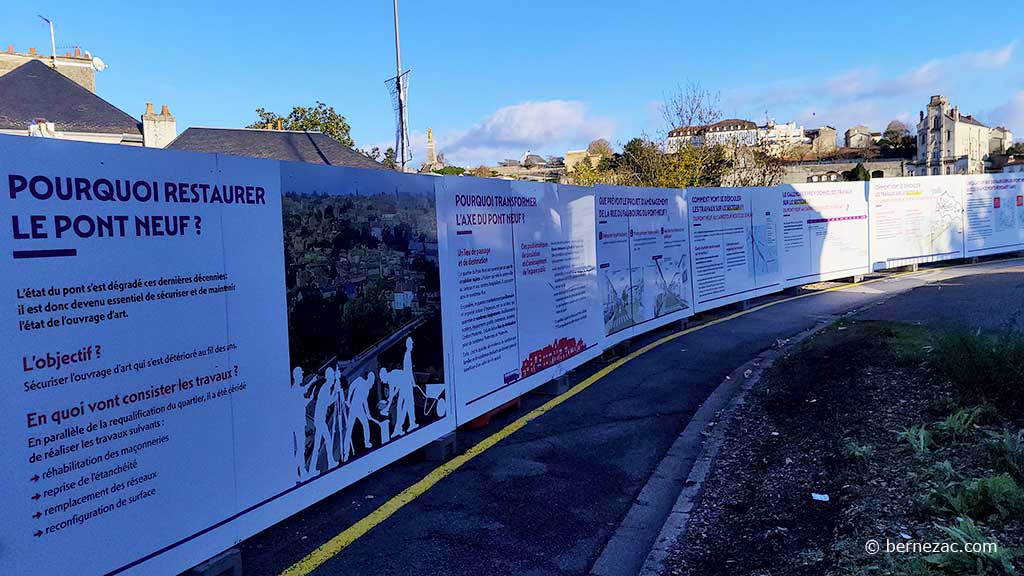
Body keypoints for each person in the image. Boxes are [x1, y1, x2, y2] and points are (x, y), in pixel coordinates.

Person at [385, 338, 418, 436]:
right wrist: (412, 382)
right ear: (408, 344)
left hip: (406, 384)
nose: (412, 345)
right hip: (406, 384)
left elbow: (407, 371)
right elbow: (408, 371)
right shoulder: (407, 355)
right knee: (406, 407)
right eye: (411, 343)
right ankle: (399, 429)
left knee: (407, 406)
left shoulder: (407, 354)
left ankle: (407, 425)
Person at [343, 371, 376, 461]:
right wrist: (348, 399)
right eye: (372, 381)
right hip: (354, 408)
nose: (372, 383)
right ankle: (346, 452)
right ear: (369, 379)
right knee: (349, 429)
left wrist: (368, 413)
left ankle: (367, 443)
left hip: (359, 409)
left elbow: (364, 402)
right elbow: (351, 387)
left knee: (365, 425)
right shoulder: (360, 380)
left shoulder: (367, 390)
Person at [311, 368, 339, 473]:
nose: (333, 379)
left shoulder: (326, 387)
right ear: (329, 377)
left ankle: (327, 463)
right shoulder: (326, 387)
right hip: (320, 420)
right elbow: (328, 402)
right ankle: (327, 464)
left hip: (319, 419)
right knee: (325, 441)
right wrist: (336, 394)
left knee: (322, 443)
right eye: (332, 376)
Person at [291, 366, 310, 482]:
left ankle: (301, 471)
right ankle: (297, 472)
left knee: (301, 449)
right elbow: (301, 404)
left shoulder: (296, 389)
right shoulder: (295, 390)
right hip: (297, 424)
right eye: (301, 375)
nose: (303, 376)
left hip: (299, 423)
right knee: (300, 449)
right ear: (297, 376)